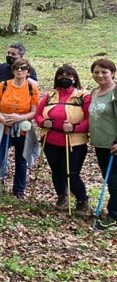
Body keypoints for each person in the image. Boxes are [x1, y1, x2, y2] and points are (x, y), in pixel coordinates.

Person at [36, 65, 91, 216]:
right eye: (61, 75)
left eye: (68, 75)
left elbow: (89, 119)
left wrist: (75, 127)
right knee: (56, 171)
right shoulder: (50, 95)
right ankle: (62, 196)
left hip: (74, 142)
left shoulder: (83, 96)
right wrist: (42, 123)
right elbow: (38, 114)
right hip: (50, 140)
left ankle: (82, 201)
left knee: (71, 173)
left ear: (75, 78)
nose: (64, 78)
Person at [0, 59, 39, 205]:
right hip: (3, 128)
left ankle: (19, 190)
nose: (20, 71)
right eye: (17, 68)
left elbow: (34, 111)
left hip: (23, 129)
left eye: (23, 68)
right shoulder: (4, 86)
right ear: (13, 70)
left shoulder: (31, 88)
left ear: (28, 71)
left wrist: (20, 117)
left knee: (21, 161)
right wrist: (2, 118)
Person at [88, 58, 117, 231]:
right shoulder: (94, 91)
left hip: (114, 145)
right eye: (96, 72)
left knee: (115, 181)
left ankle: (113, 216)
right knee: (110, 180)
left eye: (104, 72)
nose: (100, 75)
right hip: (100, 144)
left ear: (112, 73)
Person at [0, 42, 38, 106]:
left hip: (22, 107)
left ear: (21, 56)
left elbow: (35, 85)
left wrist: (23, 75)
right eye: (8, 53)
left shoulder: (27, 69)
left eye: (13, 54)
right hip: (0, 108)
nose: (9, 55)